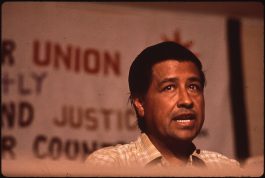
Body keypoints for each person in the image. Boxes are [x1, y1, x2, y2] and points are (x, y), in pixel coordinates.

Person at [85, 41, 240, 170]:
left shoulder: (225, 168)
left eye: (193, 87)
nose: (186, 100)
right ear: (140, 103)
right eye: (169, 88)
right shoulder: (112, 164)